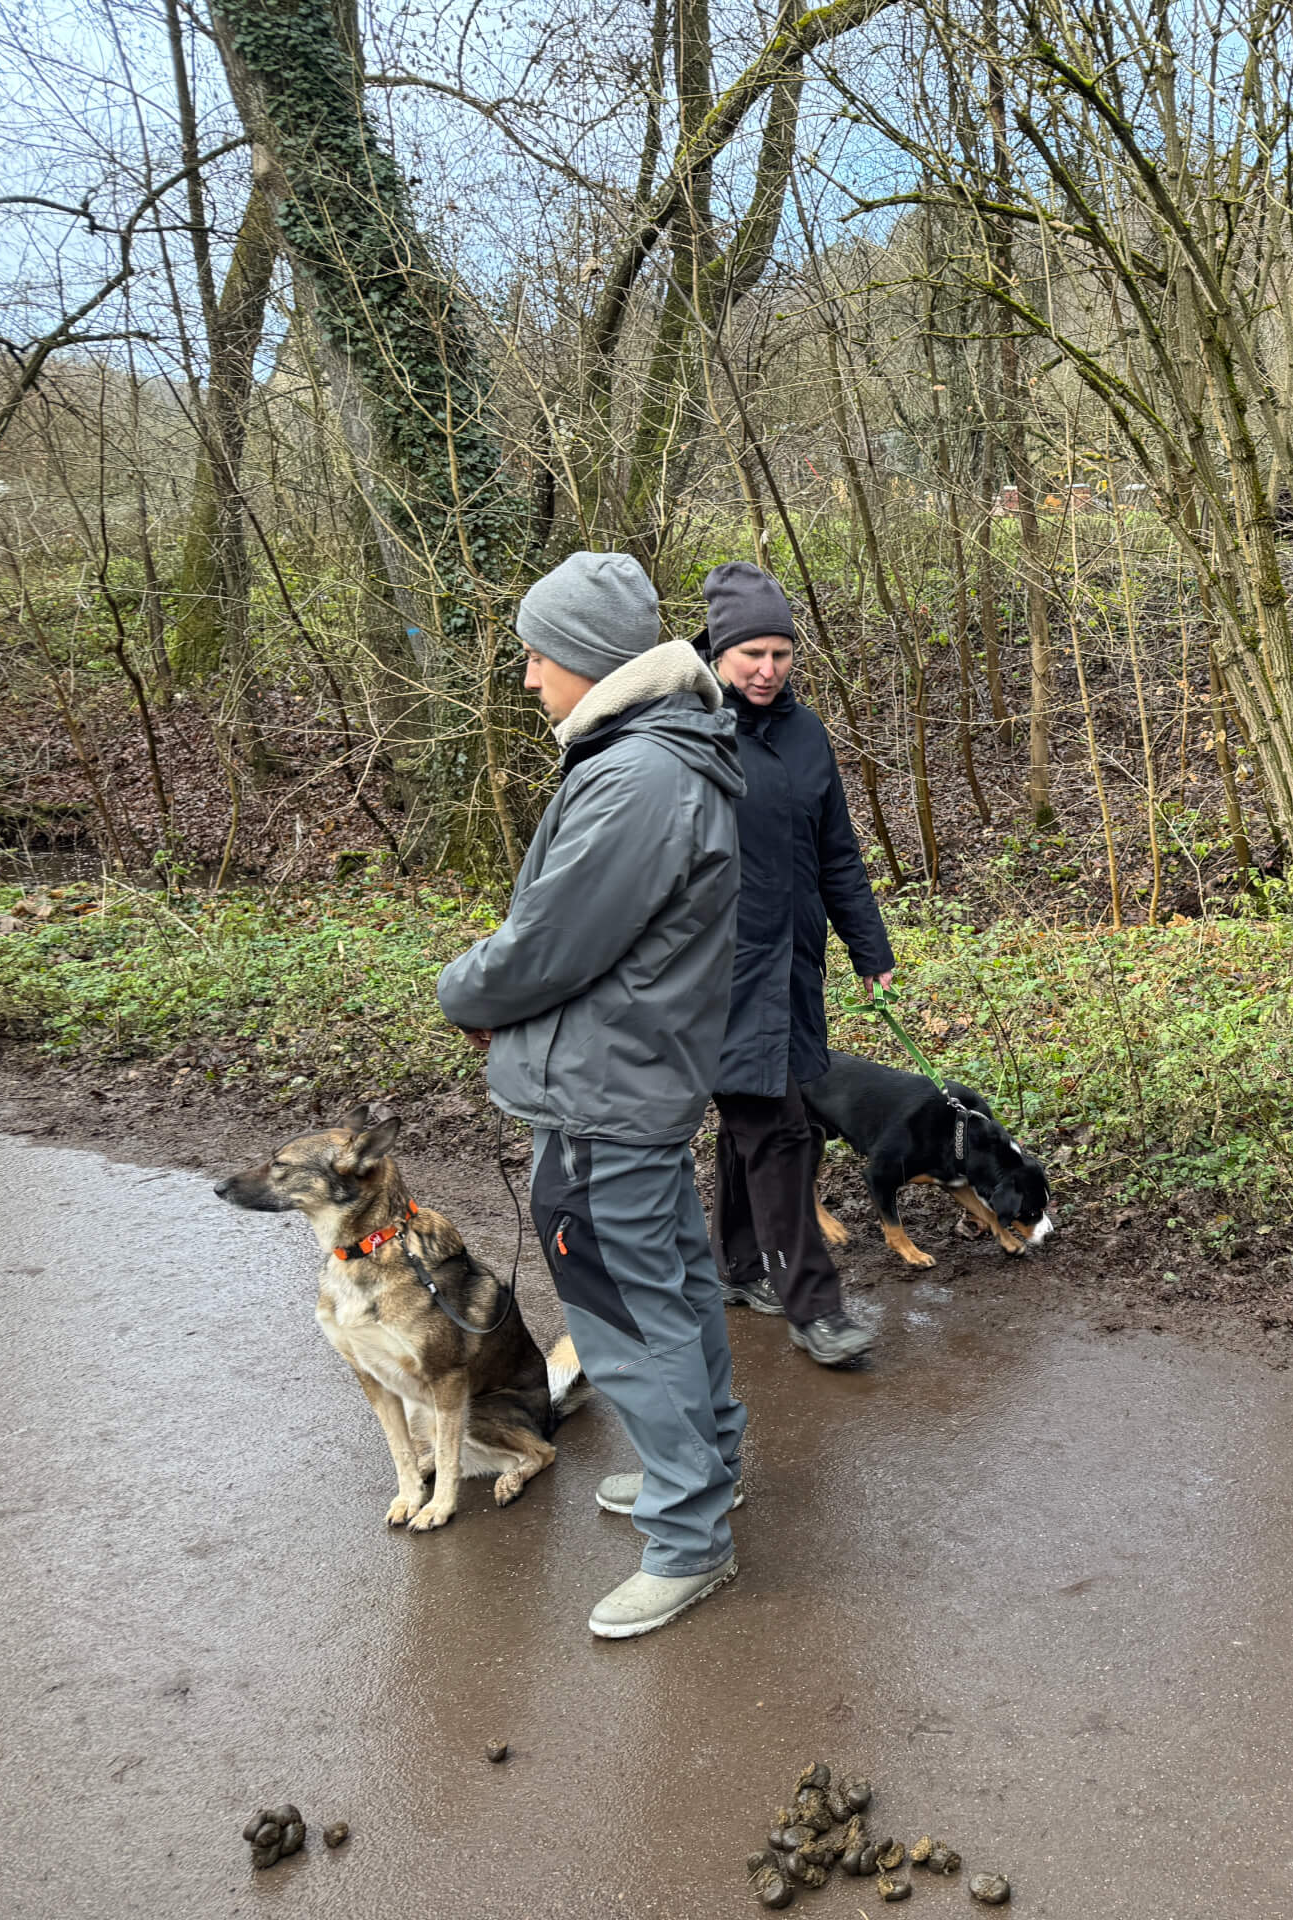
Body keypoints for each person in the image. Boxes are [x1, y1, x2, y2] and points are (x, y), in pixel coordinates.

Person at [436, 550, 749, 1641]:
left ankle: (689, 1534)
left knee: (624, 1316)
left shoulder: (637, 777)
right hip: (628, 1082)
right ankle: (702, 1472)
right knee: (674, 1291)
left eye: (537, 655)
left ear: (587, 657)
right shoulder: (659, 754)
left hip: (601, 1096)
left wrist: (462, 989)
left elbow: (546, 945)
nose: (528, 676)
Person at [694, 561, 897, 1368]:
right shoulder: (690, 731)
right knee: (780, 1129)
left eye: (781, 654)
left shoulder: (806, 732)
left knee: (756, 1119)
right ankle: (817, 1308)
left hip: (792, 965)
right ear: (719, 652)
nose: (767, 670)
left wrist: (868, 947)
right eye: (753, 655)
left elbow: (835, 850)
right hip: (716, 974)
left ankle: (740, 1267)